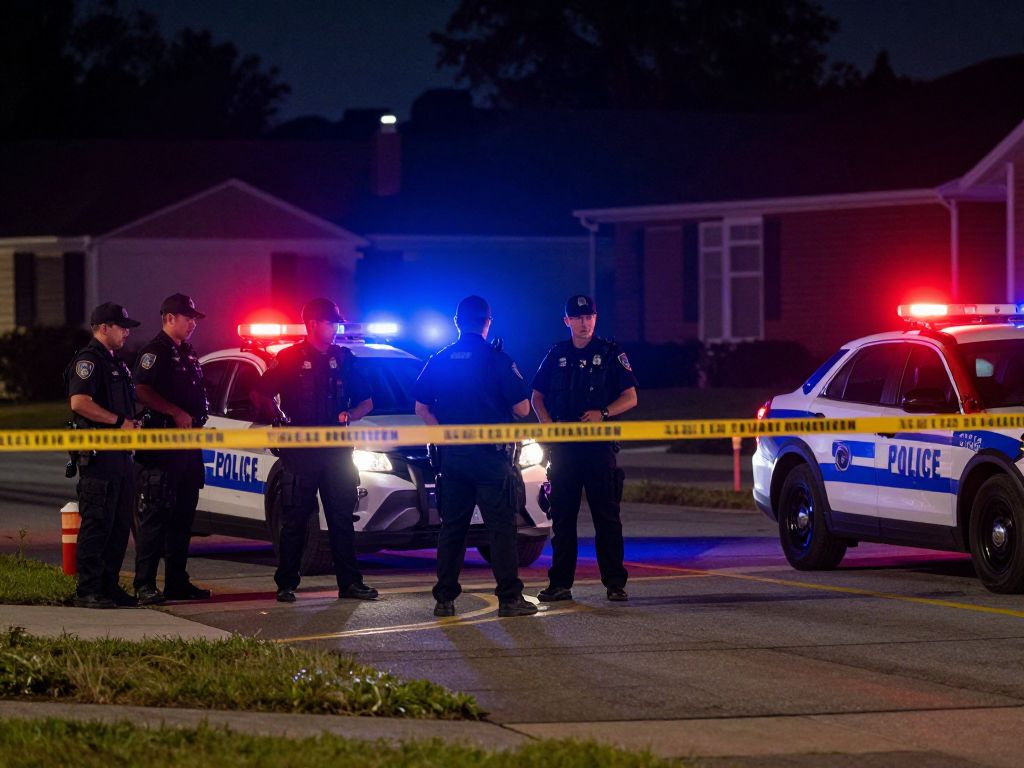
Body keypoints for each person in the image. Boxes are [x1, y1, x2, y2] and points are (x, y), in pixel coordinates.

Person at [414, 295, 537, 618]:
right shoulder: (497, 359)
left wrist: (443, 434)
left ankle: (445, 599)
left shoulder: (440, 358)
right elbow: (523, 409)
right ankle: (510, 598)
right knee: (500, 529)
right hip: (491, 460)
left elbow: (421, 407)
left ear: (456, 323)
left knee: (452, 529)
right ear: (487, 322)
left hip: (453, 458)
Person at [250, 298, 377, 603]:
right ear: (313, 325)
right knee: (295, 518)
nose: (335, 328)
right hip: (302, 451)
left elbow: (367, 401)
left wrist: (351, 415)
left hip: (336, 451)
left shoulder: (345, 359)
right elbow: (259, 393)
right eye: (330, 323)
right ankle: (286, 583)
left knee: (342, 518)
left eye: (336, 323)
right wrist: (278, 418)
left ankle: (350, 584)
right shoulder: (291, 358)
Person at [530, 294, 638, 603]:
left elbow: (630, 397)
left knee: (607, 518)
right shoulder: (556, 353)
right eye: (577, 318)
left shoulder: (610, 353)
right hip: (564, 448)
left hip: (597, 447)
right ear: (566, 321)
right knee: (563, 518)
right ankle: (560, 584)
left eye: (589, 316)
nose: (584, 323)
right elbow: (537, 395)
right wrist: (548, 423)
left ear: (596, 318)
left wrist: (603, 413)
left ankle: (615, 583)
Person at [132, 293, 211, 605]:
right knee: (154, 516)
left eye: (194, 319)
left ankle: (177, 582)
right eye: (187, 318)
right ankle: (144, 585)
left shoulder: (188, 354)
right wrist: (175, 412)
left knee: (182, 518)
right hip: (162, 448)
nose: (193, 324)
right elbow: (140, 389)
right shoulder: (155, 352)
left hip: (188, 448)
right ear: (169, 318)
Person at [66, 303, 142, 608]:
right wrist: (118, 422)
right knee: (97, 522)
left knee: (119, 524)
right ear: (103, 327)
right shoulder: (89, 361)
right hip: (98, 457)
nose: (126, 332)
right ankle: (88, 589)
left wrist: (131, 425)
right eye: (121, 327)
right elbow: (79, 402)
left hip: (121, 456)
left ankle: (109, 586)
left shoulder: (117, 364)